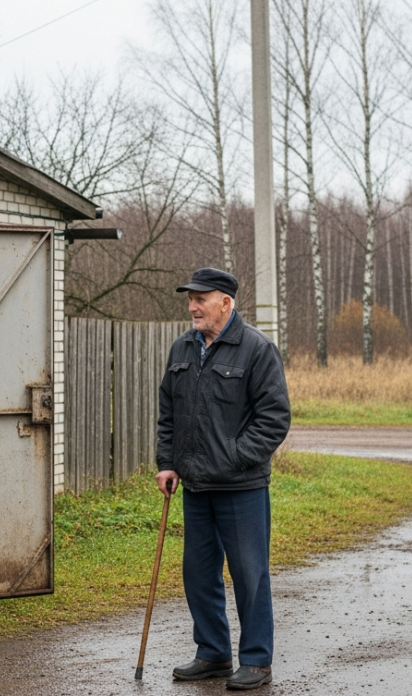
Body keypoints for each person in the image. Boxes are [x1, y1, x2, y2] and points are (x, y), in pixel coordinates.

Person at [156, 267, 290, 691]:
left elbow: (274, 419)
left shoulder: (256, 349)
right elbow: (168, 413)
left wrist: (235, 457)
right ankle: (213, 652)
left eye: (200, 299)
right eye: (189, 299)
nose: (192, 307)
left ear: (226, 303)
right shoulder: (182, 348)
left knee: (249, 575)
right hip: (195, 486)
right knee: (197, 573)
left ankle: (256, 660)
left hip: (241, 487)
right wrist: (167, 462)